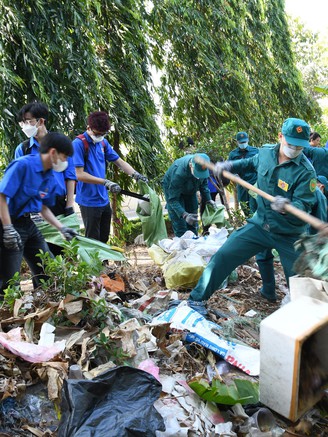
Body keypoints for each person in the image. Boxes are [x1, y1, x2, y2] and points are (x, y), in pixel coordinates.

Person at [189, 118, 317, 303]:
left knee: (303, 286)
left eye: (300, 146)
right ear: (280, 136)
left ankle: (305, 325)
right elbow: (250, 163)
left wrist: (287, 207)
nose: (295, 150)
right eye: (291, 144)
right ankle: (196, 300)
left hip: (290, 234)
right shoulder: (265, 153)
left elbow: (304, 205)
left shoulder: (306, 172)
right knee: (224, 256)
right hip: (260, 225)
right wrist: (230, 166)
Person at [0, 133, 78, 294]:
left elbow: (43, 207)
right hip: (6, 223)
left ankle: (47, 307)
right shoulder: (22, 165)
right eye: (64, 158)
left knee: (48, 269)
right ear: (53, 152)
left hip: (28, 224)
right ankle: (8, 316)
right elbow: (1, 196)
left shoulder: (48, 175)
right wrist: (7, 228)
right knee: (9, 282)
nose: (65, 162)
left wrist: (61, 228)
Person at [72, 111, 148, 243]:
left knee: (104, 237)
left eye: (103, 134)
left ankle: (104, 263)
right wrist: (105, 182)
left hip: (103, 199)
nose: (100, 136)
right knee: (93, 240)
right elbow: (79, 174)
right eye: (97, 134)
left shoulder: (103, 143)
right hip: (88, 200)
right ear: (88, 128)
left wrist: (135, 174)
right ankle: (95, 264)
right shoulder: (78, 144)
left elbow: (119, 161)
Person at [15, 102, 77, 218]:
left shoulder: (60, 143)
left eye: (28, 121)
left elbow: (70, 176)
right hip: (34, 207)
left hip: (59, 203)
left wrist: (69, 205)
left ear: (41, 121)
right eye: (23, 122)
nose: (25, 126)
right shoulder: (23, 149)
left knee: (63, 234)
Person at [163, 153, 215, 237]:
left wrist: (209, 200)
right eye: (198, 173)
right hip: (173, 191)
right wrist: (184, 215)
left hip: (190, 189)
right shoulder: (178, 174)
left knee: (193, 219)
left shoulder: (203, 167)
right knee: (180, 223)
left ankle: (194, 242)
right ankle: (183, 245)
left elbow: (204, 185)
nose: (199, 177)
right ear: (191, 165)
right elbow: (173, 199)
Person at [228, 132, 258, 215]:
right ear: (237, 142)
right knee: (244, 206)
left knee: (254, 207)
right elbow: (229, 169)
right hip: (241, 184)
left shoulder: (255, 151)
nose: (243, 144)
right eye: (241, 143)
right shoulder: (233, 154)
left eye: (244, 142)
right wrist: (233, 176)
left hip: (253, 183)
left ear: (248, 140)